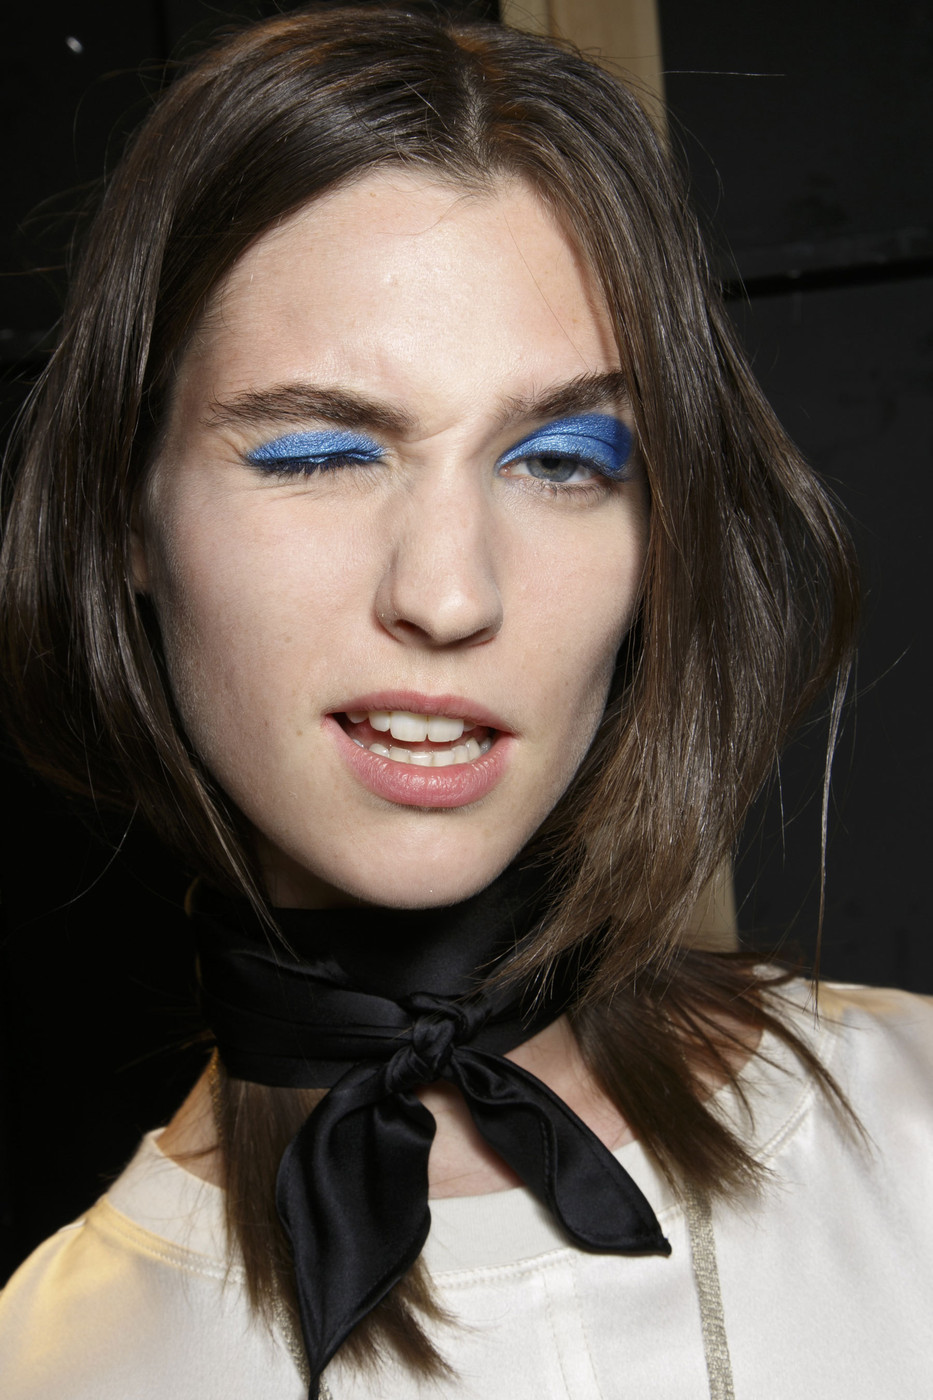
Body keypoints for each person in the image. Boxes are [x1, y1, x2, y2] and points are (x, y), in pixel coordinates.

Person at [0, 6, 930, 1398]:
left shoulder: (914, 1133)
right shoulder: (53, 1362)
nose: (447, 595)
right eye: (318, 453)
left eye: (558, 459)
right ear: (126, 512)